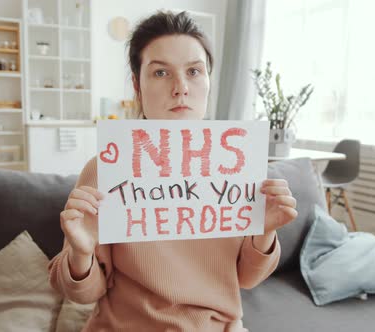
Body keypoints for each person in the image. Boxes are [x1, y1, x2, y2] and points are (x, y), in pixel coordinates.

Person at [48, 10, 298, 332]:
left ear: (208, 81)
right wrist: (81, 254)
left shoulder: (241, 166)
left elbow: (247, 279)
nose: (181, 87)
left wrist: (264, 232)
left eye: (194, 71)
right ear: (138, 86)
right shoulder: (105, 169)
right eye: (161, 73)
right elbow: (83, 293)